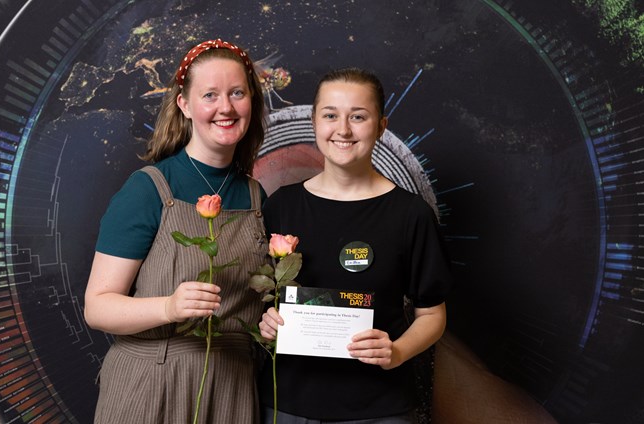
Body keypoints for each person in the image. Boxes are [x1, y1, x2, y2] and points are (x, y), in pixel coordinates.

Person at [84, 39, 269, 423]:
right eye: (210, 95)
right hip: (151, 385)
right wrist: (168, 307)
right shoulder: (148, 189)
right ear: (184, 105)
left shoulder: (256, 197)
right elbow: (97, 307)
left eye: (237, 93)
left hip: (233, 389)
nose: (226, 108)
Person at [258, 68, 453, 423]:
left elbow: (433, 316)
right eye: (330, 115)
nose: (343, 130)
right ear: (315, 121)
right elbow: (262, 297)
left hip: (380, 407)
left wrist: (396, 351)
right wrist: (266, 321)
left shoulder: (411, 215)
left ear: (380, 126)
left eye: (358, 117)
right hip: (287, 404)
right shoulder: (281, 206)